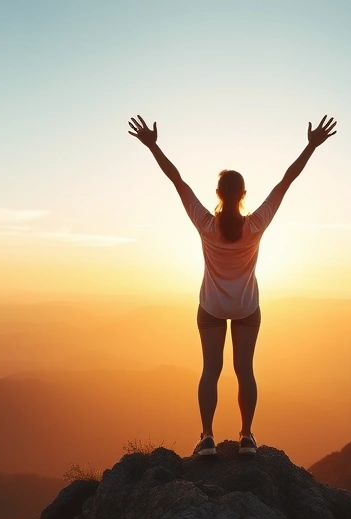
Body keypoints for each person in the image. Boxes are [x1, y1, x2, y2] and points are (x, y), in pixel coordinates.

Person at [128, 114, 337, 456]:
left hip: (211, 308)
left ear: (217, 194)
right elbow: (286, 181)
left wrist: (153, 146)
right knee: (245, 370)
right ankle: (247, 437)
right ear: (243, 194)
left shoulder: (206, 225)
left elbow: (177, 181)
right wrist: (310, 146)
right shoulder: (255, 225)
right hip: (246, 309)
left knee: (211, 370)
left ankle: (207, 437)